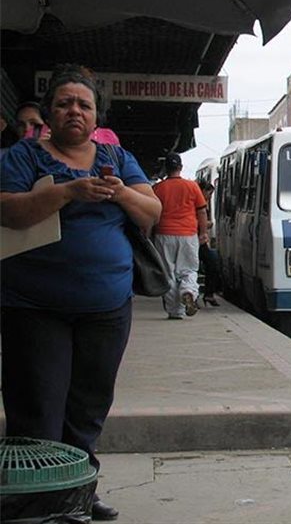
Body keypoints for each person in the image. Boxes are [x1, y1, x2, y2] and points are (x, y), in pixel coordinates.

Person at [0, 64, 162, 521]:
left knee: (89, 406)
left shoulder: (119, 159)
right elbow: (8, 211)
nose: (75, 110)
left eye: (84, 104)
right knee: (38, 407)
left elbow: (152, 210)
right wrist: (68, 192)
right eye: (65, 103)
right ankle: (39, 502)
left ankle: (79, 493)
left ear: (96, 116)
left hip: (107, 306)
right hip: (34, 307)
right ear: (49, 113)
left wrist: (120, 194)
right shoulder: (24, 156)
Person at [153, 153, 209, 319]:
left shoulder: (157, 188)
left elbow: (152, 213)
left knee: (168, 273)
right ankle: (189, 291)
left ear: (166, 169)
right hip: (188, 234)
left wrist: (148, 234)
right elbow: (202, 211)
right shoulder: (192, 186)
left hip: (163, 234)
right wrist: (204, 232)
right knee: (189, 269)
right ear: (181, 167)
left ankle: (175, 311)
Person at [198, 179, 222, 307]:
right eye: (209, 194)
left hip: (200, 242)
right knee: (212, 261)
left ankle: (209, 294)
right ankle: (205, 294)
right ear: (203, 191)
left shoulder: (203, 203)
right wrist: (207, 224)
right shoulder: (197, 202)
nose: (209, 197)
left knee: (213, 262)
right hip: (195, 240)